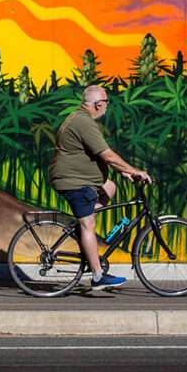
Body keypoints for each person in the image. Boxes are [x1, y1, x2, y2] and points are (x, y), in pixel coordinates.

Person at [50, 85, 152, 290]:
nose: (107, 106)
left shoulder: (80, 119)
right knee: (88, 224)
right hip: (74, 181)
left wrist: (122, 171)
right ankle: (97, 276)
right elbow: (106, 154)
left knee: (110, 187)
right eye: (106, 102)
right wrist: (132, 170)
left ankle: (84, 235)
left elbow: (95, 154)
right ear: (98, 104)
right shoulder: (83, 122)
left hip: (78, 178)